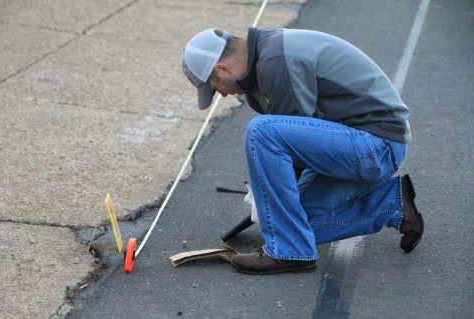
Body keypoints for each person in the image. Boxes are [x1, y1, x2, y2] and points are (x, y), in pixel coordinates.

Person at [182, 27, 424, 275]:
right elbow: (299, 144)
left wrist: (266, 202)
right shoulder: (263, 63)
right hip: (356, 148)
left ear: (223, 68)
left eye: (215, 86)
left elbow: (287, 149)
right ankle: (391, 205)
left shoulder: (276, 60)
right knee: (292, 223)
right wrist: (274, 214)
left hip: (375, 145)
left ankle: (290, 251)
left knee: (262, 133)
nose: (221, 94)